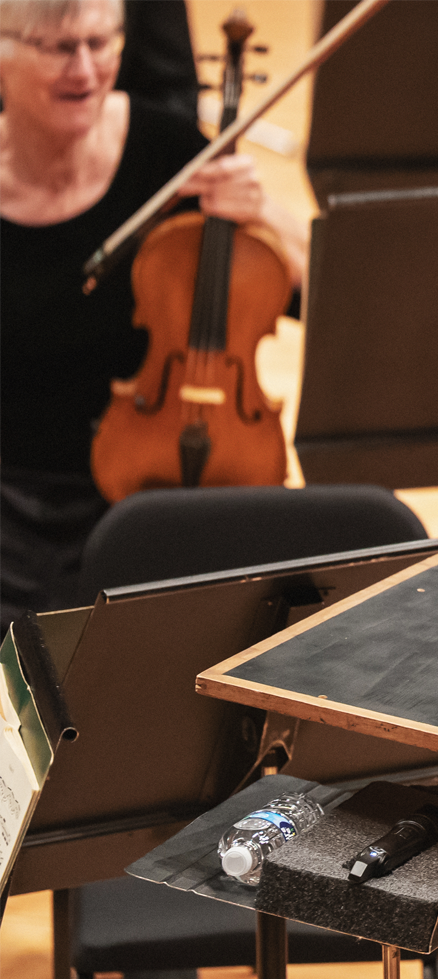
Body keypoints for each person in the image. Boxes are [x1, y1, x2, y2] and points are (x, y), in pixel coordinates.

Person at [0, 0, 308, 631]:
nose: (85, 68)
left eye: (101, 41)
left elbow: (312, 290)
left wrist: (262, 213)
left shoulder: (166, 149)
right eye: (59, 48)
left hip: (149, 488)